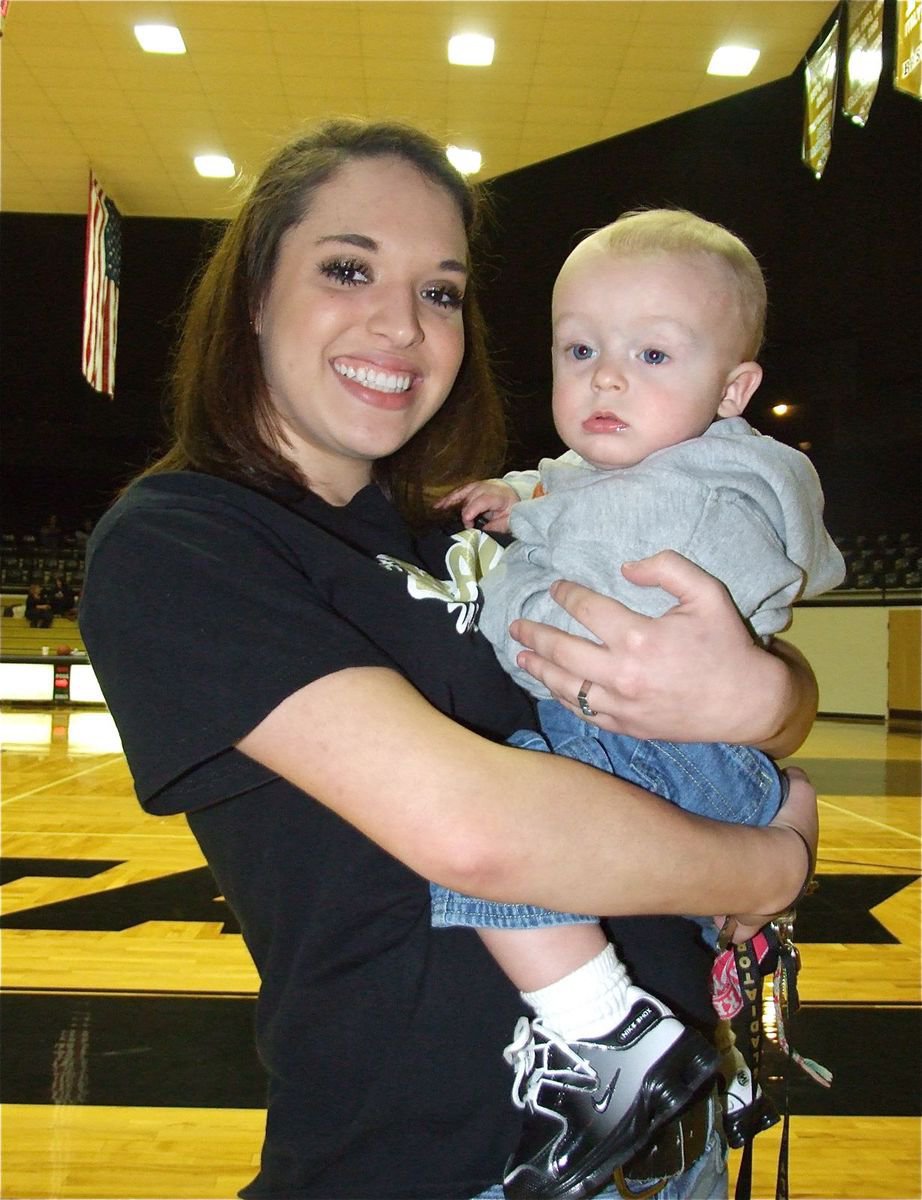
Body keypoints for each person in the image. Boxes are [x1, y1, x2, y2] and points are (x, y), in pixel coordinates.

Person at [78, 120, 819, 1200]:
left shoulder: (464, 528)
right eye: (348, 269)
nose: (401, 324)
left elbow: (737, 678)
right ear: (254, 296)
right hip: (444, 1167)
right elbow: (473, 832)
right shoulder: (180, 543)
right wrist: (772, 867)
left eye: (440, 291)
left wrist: (769, 694)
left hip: (678, 1152)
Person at [433, 209, 845, 1196]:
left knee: (496, 828)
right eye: (580, 350)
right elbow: (570, 487)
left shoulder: (680, 504)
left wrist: (499, 575)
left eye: (652, 354)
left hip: (669, 758)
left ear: (733, 389)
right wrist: (524, 494)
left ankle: (607, 1035)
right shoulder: (648, 466)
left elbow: (561, 626)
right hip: (689, 760)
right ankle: (708, 1033)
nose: (606, 379)